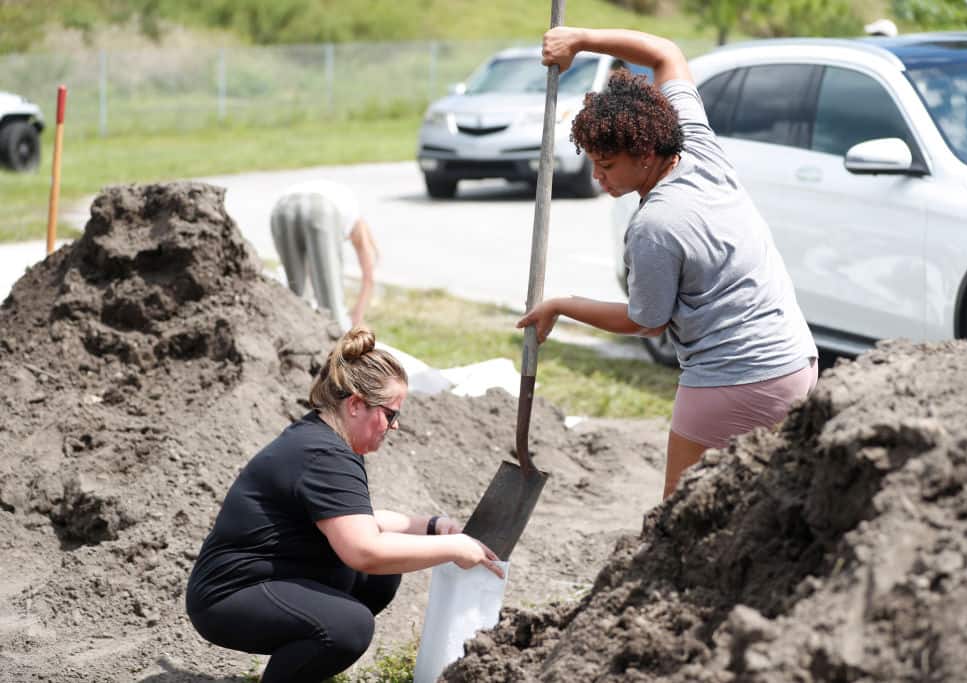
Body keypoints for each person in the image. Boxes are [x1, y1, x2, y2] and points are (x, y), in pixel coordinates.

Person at [518, 28, 819, 500]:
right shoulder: (698, 147)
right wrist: (581, 39)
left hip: (731, 377)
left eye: (608, 165)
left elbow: (647, 322)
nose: (598, 178)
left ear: (644, 153)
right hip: (794, 363)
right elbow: (666, 53)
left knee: (677, 518)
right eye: (593, 163)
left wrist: (563, 304)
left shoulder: (655, 225)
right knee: (764, 510)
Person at [186, 326, 502, 683]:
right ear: (355, 404)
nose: (394, 427)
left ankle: (300, 665)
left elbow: (356, 521)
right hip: (228, 596)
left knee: (377, 579)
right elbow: (364, 550)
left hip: (262, 580)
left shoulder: (323, 440)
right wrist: (453, 547)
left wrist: (430, 526)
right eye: (391, 414)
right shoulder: (324, 455)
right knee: (348, 626)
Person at [270, 179, 378, 330]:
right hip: (321, 209)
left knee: (297, 300)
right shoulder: (355, 220)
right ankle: (340, 347)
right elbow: (369, 275)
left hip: (281, 209)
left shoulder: (341, 201)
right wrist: (357, 315)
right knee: (331, 307)